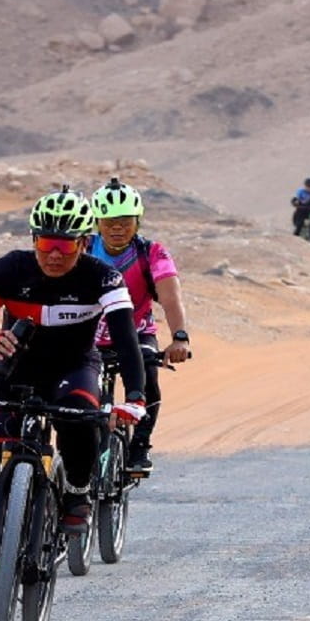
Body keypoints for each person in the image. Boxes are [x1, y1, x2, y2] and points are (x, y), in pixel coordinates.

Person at [0, 187, 148, 618]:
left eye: (65, 245)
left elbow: (125, 338)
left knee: (82, 418)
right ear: (33, 240)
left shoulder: (102, 277)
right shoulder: (8, 270)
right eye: (46, 243)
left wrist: (135, 396)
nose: (55, 254)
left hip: (74, 367)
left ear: (84, 243)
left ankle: (77, 492)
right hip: (15, 374)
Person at [90, 177, 192, 473]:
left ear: (138, 221)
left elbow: (170, 298)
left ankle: (140, 445)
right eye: (109, 222)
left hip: (137, 333)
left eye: (125, 222)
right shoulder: (82, 248)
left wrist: (179, 337)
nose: (117, 228)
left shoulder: (152, 253)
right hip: (88, 335)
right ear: (97, 223)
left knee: (148, 381)